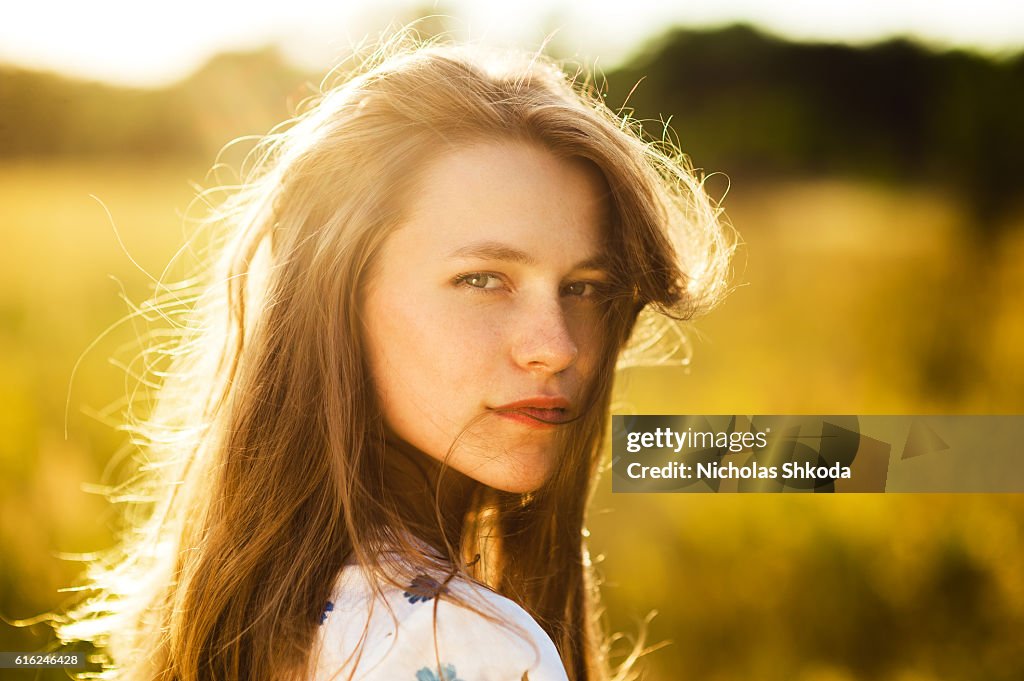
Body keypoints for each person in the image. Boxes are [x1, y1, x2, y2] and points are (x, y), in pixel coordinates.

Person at [51, 33, 733, 681]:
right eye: (482, 279)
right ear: (336, 297)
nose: (557, 346)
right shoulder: (458, 644)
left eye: (584, 288)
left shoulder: (244, 605)